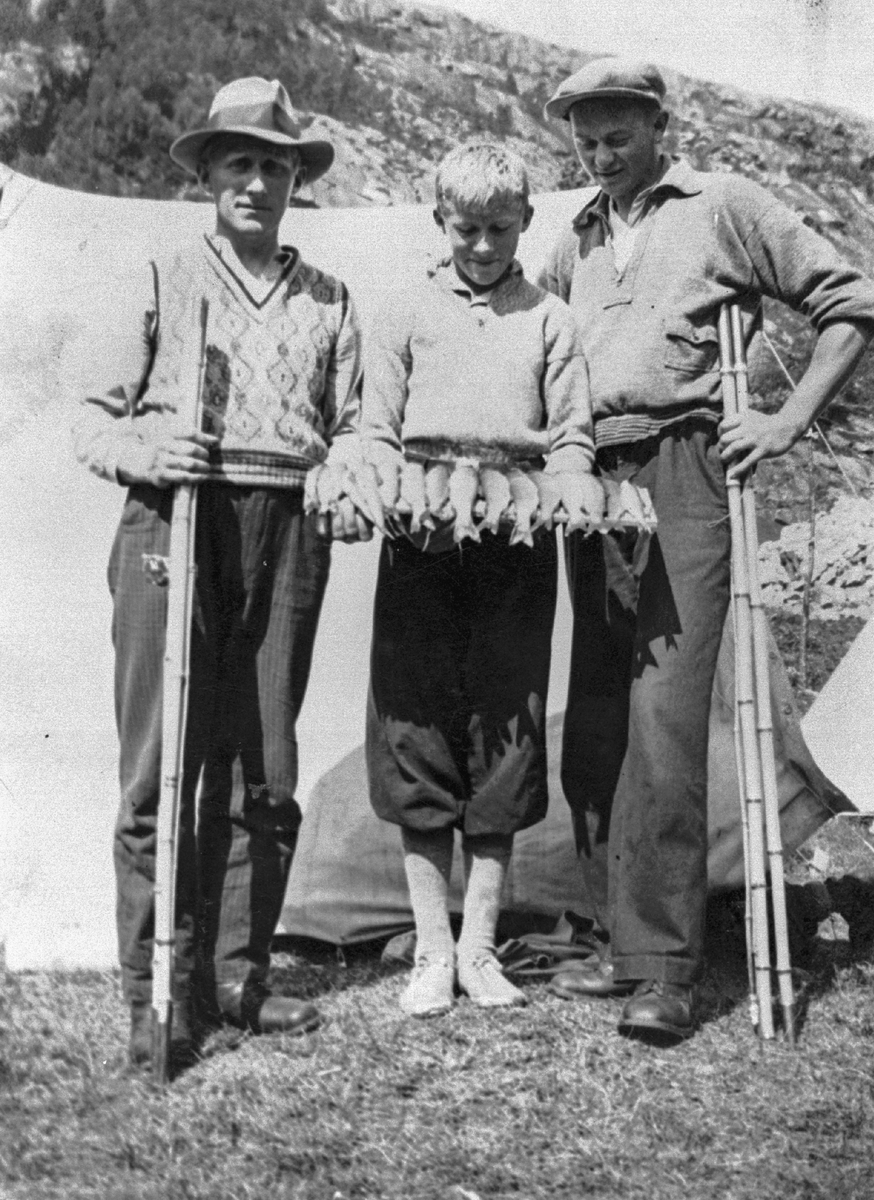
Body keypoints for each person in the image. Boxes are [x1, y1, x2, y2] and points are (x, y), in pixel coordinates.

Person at [539, 57, 874, 1038]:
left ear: (657, 126)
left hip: (685, 465)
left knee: (667, 713)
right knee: (597, 716)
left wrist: (782, 419)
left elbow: (849, 302)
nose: (601, 157)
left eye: (617, 138)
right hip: (591, 477)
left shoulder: (721, 203)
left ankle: (665, 969)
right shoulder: (576, 239)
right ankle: (612, 939)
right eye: (585, 141)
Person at [73, 76, 367, 1067]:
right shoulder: (159, 276)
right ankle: (154, 990)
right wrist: (144, 452)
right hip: (174, 522)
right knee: (161, 771)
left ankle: (236, 978)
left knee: (263, 772)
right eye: (237, 161)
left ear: (295, 181)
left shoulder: (330, 299)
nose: (256, 180)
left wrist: (352, 473)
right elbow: (90, 416)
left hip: (284, 530)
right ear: (206, 172)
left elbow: (360, 426)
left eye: (274, 165)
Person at [362, 142, 596, 1017]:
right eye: (466, 229)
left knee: (504, 738)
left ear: (527, 222)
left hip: (517, 542)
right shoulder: (405, 312)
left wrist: (564, 490)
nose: (484, 245)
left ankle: (479, 948)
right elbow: (377, 432)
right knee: (417, 735)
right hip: (420, 540)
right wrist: (390, 495)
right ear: (439, 223)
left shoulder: (551, 320)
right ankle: (429, 949)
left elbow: (573, 437)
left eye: (500, 228)